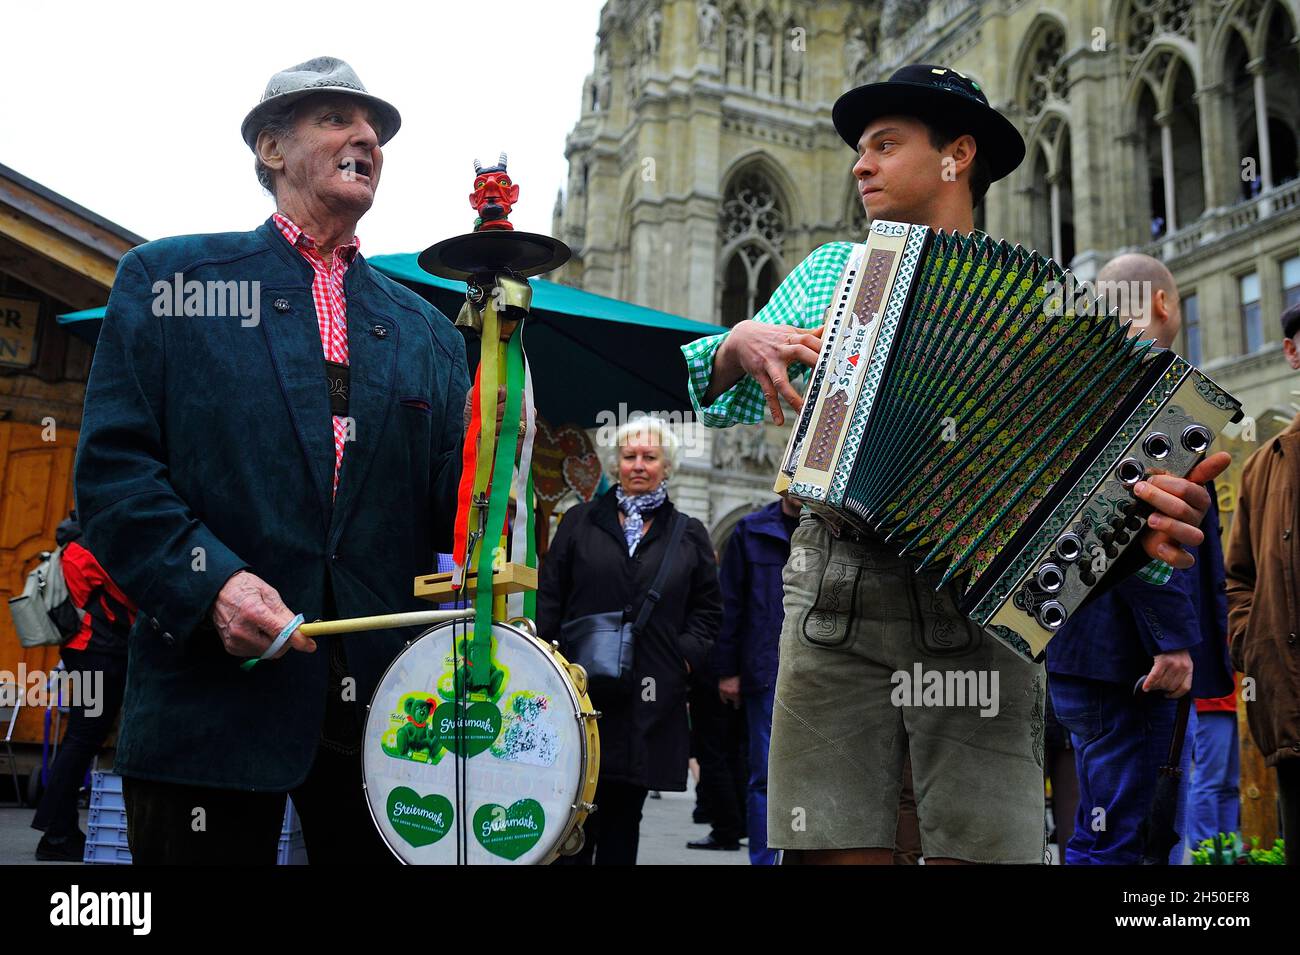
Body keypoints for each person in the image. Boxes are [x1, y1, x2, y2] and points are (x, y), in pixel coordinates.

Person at [681, 63, 1230, 864]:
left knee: (986, 849)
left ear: (956, 155)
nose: (860, 164)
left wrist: (1148, 529)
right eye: (858, 149)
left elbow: (1087, 521)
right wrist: (734, 343)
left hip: (978, 612)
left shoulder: (1052, 315)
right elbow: (712, 393)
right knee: (829, 844)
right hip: (836, 590)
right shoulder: (833, 275)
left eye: (884, 144)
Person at [74, 57, 469, 864]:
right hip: (207, 703)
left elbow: (452, 509)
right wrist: (210, 582)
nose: (367, 137)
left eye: (376, 131)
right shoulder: (169, 281)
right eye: (336, 120)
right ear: (271, 148)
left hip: (383, 720)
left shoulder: (429, 329)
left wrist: (510, 437)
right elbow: (115, 473)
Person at [1046, 254, 1233, 864]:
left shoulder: (1081, 390)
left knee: (1116, 831)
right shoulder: (1153, 388)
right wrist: (1173, 641)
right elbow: (1144, 534)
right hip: (1128, 659)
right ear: (1163, 305)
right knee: (1122, 840)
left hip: (1084, 654)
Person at [538, 416, 722, 864]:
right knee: (574, 815)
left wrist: (684, 659)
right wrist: (550, 664)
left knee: (625, 816)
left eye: (649, 457)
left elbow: (709, 611)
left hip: (649, 697)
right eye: (629, 457)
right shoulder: (581, 522)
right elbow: (551, 598)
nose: (638, 465)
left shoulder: (688, 533)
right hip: (583, 693)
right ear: (615, 463)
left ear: (667, 466)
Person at [1225, 301, 1300, 865]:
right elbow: (1239, 577)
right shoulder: (1264, 465)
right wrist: (1252, 642)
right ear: (1292, 352)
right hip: (1290, 712)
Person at [30, 513, 135, 862]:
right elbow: (128, 592)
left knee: (81, 738)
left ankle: (59, 830)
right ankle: (56, 835)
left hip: (85, 653)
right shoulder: (91, 547)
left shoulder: (73, 546)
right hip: (97, 654)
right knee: (82, 738)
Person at [713, 495, 799, 863]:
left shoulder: (837, 531)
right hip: (765, 672)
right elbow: (730, 604)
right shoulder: (750, 530)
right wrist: (728, 670)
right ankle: (764, 861)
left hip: (822, 676)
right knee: (764, 775)